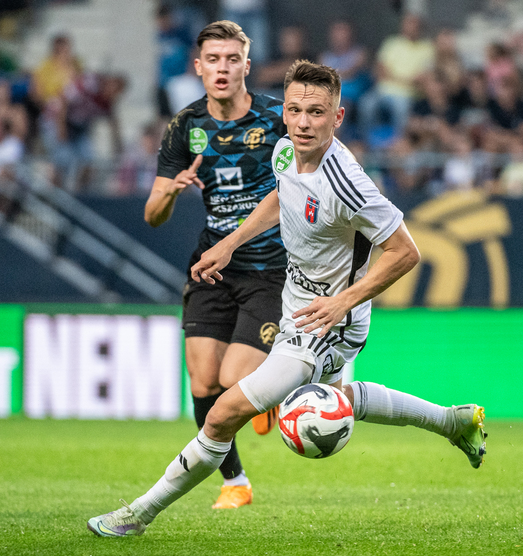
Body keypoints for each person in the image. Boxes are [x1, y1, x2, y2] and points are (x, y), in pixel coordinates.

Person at [87, 60, 487, 538]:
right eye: (294, 110)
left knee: (222, 413)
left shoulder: (348, 182)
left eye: (316, 113)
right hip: (298, 301)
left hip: (326, 322)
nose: (302, 122)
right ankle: (453, 423)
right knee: (339, 399)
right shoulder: (284, 152)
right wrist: (231, 242)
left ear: (337, 117)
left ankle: (138, 514)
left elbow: (406, 252)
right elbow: (281, 198)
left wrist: (343, 301)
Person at [141, 20, 288, 511]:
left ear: (246, 66)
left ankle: (269, 389)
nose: (222, 68)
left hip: (271, 268)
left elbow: (304, 185)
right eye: (213, 60)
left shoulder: (276, 118)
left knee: (232, 381)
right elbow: (153, 215)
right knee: (203, 383)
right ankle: (236, 482)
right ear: (198, 67)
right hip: (211, 267)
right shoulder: (186, 127)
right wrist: (171, 189)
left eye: (232, 59)